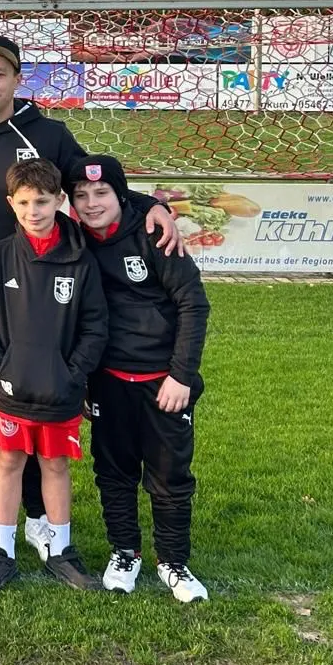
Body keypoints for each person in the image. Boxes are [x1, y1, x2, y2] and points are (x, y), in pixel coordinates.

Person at [0, 33, 181, 561]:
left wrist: (150, 204)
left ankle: (35, 515)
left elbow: (93, 180)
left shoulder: (48, 134)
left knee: (31, 401)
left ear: (17, 78)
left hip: (34, 298)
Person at [68, 155, 211, 602]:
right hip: (108, 380)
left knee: (170, 476)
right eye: (82, 195)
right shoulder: (74, 240)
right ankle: (124, 551)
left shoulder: (154, 235)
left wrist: (181, 375)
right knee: (114, 472)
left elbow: (193, 304)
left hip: (163, 383)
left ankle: (173, 561)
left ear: (120, 195)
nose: (92, 203)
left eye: (102, 192)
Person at [0, 159, 107, 592]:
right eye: (25, 202)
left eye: (43, 202)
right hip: (9, 387)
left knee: (55, 464)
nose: (34, 211)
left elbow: (95, 325)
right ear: (11, 203)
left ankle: (61, 551)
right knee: (8, 463)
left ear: (59, 201)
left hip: (60, 389)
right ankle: (2, 552)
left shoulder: (81, 259)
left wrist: (73, 372)